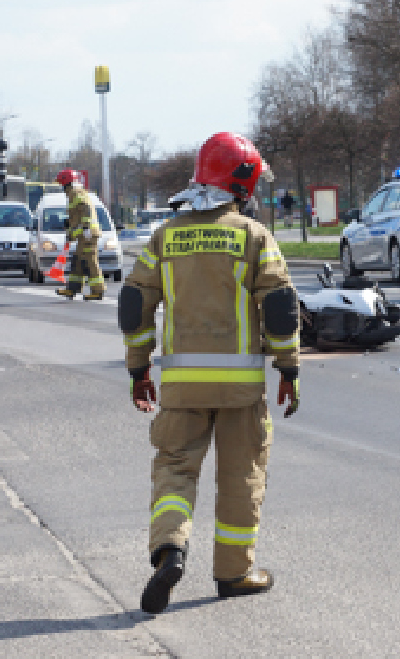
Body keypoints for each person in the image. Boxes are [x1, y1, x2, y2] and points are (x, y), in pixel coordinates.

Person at [120, 133, 300, 614]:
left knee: (175, 468)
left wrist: (139, 367)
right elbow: (281, 307)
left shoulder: (165, 236)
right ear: (241, 183)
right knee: (242, 475)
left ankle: (170, 550)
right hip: (241, 389)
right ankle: (235, 572)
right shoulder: (252, 235)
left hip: (181, 387)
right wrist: (288, 369)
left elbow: (135, 303)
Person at [57, 168, 105, 300]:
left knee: (90, 261)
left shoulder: (77, 194)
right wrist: (70, 232)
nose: (61, 188)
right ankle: (72, 289)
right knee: (77, 260)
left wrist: (86, 228)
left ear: (66, 183)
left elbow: (86, 211)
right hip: (84, 234)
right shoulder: (74, 194)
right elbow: (75, 218)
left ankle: (98, 291)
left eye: (62, 184)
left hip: (88, 234)